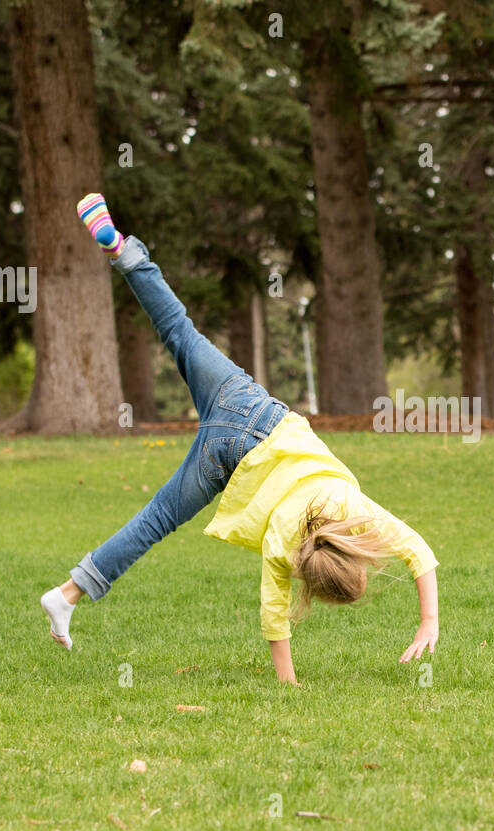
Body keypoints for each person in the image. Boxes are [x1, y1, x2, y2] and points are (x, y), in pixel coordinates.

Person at [39, 195, 439, 685]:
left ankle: (122, 251)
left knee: (179, 331)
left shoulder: (354, 510)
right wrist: (288, 685)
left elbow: (418, 549)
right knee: (155, 519)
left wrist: (430, 619)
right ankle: (68, 594)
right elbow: (274, 620)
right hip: (222, 461)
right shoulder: (284, 547)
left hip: (249, 406)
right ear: (309, 581)